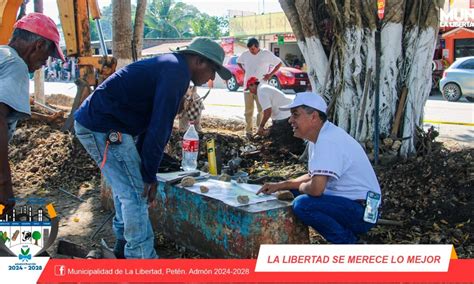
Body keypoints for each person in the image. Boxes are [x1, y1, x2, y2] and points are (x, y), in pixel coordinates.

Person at [74, 37, 231, 259]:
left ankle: (123, 245)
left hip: (104, 124)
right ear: (198, 61)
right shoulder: (176, 73)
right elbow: (160, 127)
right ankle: (141, 259)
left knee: (127, 188)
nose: (212, 77)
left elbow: (151, 124)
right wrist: (149, 175)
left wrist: (147, 170)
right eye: (213, 70)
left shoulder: (172, 67)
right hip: (103, 126)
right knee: (136, 194)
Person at [257, 92, 381, 244]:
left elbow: (316, 189)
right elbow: (313, 176)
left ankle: (348, 244)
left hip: (364, 212)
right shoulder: (320, 137)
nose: (290, 120)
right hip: (357, 205)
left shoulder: (327, 141)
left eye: (295, 115)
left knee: (303, 204)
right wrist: (281, 185)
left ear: (314, 116)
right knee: (293, 191)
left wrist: (299, 187)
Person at [0, 13, 65, 217]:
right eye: (46, 56)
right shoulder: (16, 65)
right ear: (37, 45)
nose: (44, 63)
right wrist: (3, 183)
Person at [237, 37, 282, 137]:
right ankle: (248, 131)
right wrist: (244, 70)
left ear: (257, 47)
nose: (251, 51)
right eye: (249, 49)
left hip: (261, 87)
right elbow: (238, 62)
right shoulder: (245, 54)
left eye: (253, 49)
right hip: (248, 87)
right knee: (248, 111)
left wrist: (270, 75)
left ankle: (259, 130)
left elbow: (279, 63)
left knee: (261, 110)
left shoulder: (266, 54)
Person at [246, 77, 303, 152]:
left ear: (252, 85)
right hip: (287, 112)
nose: (250, 91)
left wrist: (261, 126)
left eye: (249, 88)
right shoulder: (264, 87)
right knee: (287, 137)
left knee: (278, 141)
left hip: (284, 115)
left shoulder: (261, 92)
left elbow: (267, 112)